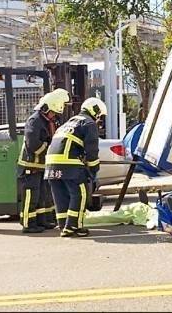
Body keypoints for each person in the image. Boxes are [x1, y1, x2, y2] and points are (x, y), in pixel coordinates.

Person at [45, 97, 106, 237]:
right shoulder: (89, 123)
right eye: (100, 116)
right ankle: (74, 226)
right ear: (95, 111)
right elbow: (92, 150)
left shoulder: (69, 122)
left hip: (51, 165)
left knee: (60, 195)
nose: (99, 120)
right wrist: (93, 170)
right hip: (69, 163)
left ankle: (63, 225)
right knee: (80, 193)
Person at [17, 89, 70, 233]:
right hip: (30, 166)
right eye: (53, 112)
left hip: (40, 166)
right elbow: (33, 145)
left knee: (41, 196)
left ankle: (42, 221)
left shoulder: (48, 121)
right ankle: (28, 224)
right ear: (46, 109)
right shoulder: (35, 121)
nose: (54, 116)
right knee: (31, 196)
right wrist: (50, 146)